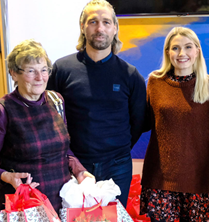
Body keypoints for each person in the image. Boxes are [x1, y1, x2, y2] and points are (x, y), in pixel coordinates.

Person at [0, 39, 93, 222]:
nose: (40, 77)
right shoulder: (1, 111)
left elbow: (64, 151)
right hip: (24, 205)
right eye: (31, 71)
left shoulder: (56, 100)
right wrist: (6, 176)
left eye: (44, 69)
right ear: (13, 73)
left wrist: (80, 171)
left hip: (60, 199)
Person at [47, 0, 147, 206]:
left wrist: (118, 149)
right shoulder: (62, 69)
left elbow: (138, 122)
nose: (100, 28)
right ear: (82, 27)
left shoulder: (130, 74)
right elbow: (50, 116)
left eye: (106, 22)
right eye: (93, 22)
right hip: (73, 165)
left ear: (115, 29)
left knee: (115, 218)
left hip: (117, 166)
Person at [140, 27, 209, 222]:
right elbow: (143, 122)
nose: (181, 53)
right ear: (168, 52)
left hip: (197, 180)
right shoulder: (155, 82)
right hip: (160, 179)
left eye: (187, 47)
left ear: (197, 51)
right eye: (175, 48)